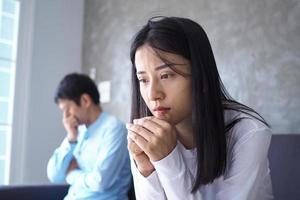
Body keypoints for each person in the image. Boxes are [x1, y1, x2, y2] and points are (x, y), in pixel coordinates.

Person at [126, 16, 273, 200]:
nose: (152, 94)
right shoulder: (148, 136)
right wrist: (148, 172)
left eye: (166, 75)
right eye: (143, 80)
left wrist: (167, 159)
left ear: (199, 73)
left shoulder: (248, 133)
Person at [47, 73, 132, 200]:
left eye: (67, 109)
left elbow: (100, 181)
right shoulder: (77, 131)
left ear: (85, 101)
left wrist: (71, 174)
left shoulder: (114, 129)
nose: (65, 117)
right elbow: (54, 176)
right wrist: (71, 138)